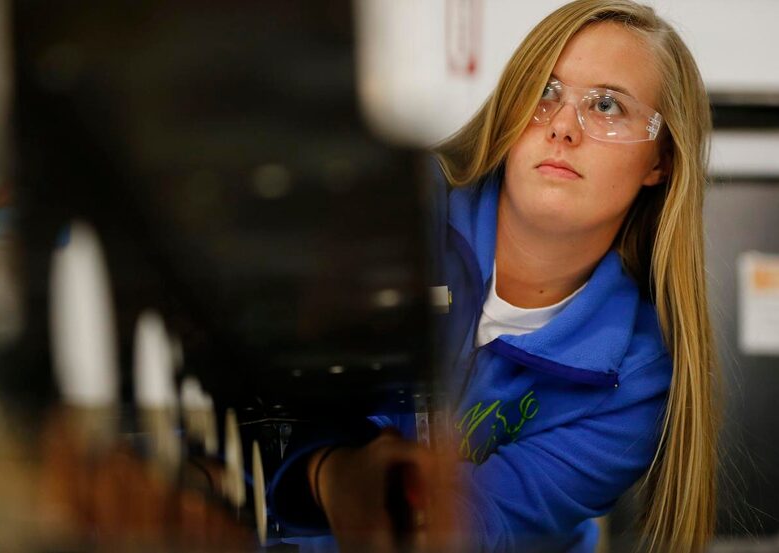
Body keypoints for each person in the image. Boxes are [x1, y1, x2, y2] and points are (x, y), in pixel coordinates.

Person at [269, 1, 719, 552]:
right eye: (544, 92)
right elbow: (251, 413)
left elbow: (472, 528)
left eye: (605, 105)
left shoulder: (636, 375)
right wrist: (326, 475)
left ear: (661, 160)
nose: (561, 128)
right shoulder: (392, 222)